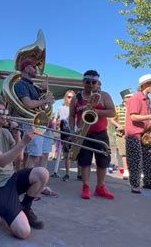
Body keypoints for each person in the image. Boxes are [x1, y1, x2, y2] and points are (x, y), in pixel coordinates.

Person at [0, 99, 49, 239]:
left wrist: (17, 136)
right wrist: (23, 142)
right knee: (23, 232)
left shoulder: (6, 133)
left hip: (10, 179)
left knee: (42, 173)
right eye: (1, 112)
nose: (5, 115)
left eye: (6, 112)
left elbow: (19, 159)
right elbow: (1, 162)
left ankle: (25, 208)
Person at [13, 58, 58, 198]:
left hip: (42, 123)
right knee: (34, 156)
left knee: (44, 154)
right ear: (26, 68)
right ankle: (27, 186)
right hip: (32, 122)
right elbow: (27, 104)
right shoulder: (20, 84)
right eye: (34, 67)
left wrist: (46, 94)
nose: (36, 69)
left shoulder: (34, 86)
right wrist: (45, 100)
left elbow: (42, 106)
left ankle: (41, 184)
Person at [69, 70, 116, 199]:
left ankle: (100, 187)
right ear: (83, 82)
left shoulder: (104, 96)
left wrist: (96, 111)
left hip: (100, 133)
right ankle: (86, 187)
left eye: (93, 82)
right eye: (88, 82)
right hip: (83, 134)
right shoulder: (76, 98)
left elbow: (112, 113)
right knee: (84, 162)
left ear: (98, 83)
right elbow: (72, 116)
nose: (90, 84)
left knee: (103, 161)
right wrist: (72, 131)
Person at [125, 74, 151, 194]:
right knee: (135, 161)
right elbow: (133, 117)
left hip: (145, 133)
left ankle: (150, 183)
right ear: (145, 85)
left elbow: (146, 118)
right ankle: (135, 185)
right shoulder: (135, 98)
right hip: (134, 134)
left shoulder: (148, 100)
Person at [108, 88, 133, 180]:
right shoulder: (118, 107)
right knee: (124, 153)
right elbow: (111, 119)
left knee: (133, 152)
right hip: (121, 133)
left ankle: (134, 170)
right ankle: (126, 170)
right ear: (124, 99)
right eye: (129, 97)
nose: (131, 98)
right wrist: (118, 125)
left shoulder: (133, 107)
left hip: (133, 133)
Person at [56, 90, 78, 182]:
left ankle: (80, 174)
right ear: (65, 98)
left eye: (72, 97)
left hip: (76, 133)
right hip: (65, 134)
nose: (70, 99)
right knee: (66, 155)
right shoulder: (61, 108)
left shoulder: (77, 108)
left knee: (78, 154)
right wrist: (58, 123)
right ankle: (67, 174)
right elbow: (57, 120)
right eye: (68, 97)